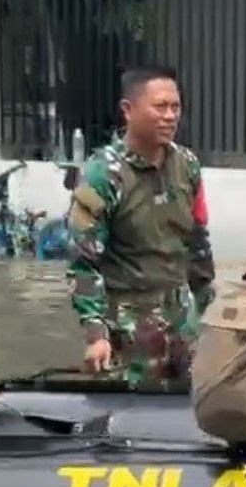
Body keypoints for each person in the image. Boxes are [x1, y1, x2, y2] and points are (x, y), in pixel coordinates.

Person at [65, 65, 214, 388]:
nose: (170, 116)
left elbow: (198, 242)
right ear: (128, 110)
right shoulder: (102, 174)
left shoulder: (186, 165)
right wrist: (96, 334)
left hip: (183, 320)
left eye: (176, 107)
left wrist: (210, 314)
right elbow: (83, 263)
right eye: (160, 107)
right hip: (130, 327)